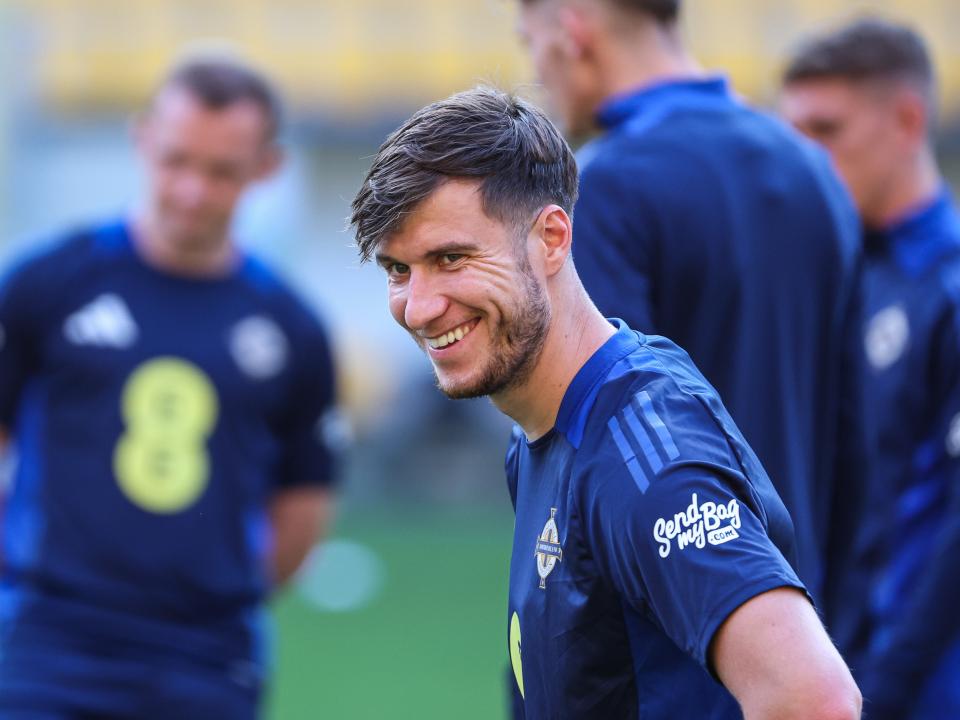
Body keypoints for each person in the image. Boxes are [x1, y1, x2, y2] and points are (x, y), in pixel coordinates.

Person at [350, 86, 860, 719]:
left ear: (552, 238)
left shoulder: (642, 456)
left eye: (450, 258)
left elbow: (814, 699)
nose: (419, 307)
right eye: (399, 271)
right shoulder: (546, 425)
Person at [0, 56, 340, 718]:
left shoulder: (290, 327)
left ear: (265, 168)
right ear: (142, 140)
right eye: (176, 161)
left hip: (208, 655)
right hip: (50, 642)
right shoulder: (46, 284)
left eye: (221, 172)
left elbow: (302, 505)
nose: (192, 190)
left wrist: (218, 593)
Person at [513, 0, 866, 618]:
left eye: (532, 42)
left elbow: (592, 444)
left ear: (573, 31)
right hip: (797, 621)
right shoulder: (813, 171)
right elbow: (854, 433)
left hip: (666, 632)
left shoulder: (608, 185)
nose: (538, 71)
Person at [781, 18, 960, 719]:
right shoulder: (846, 277)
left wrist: (883, 688)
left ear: (908, 120)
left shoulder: (947, 287)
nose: (805, 159)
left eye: (827, 131)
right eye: (793, 136)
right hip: (841, 668)